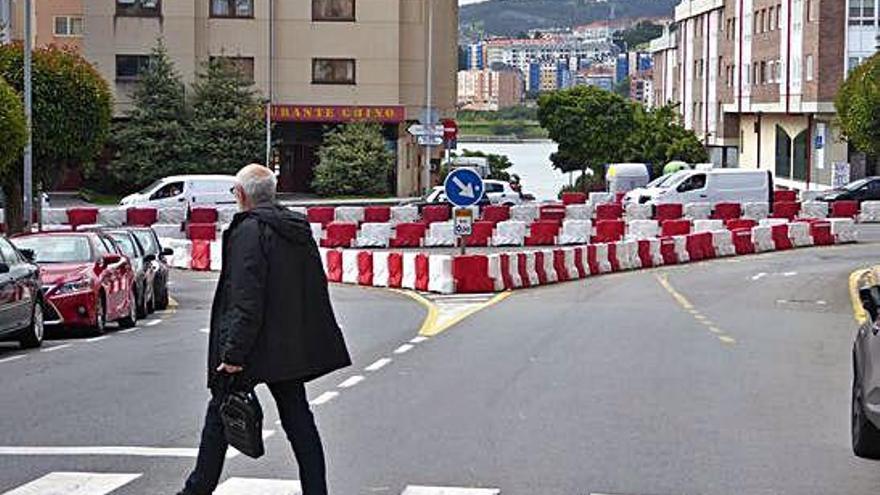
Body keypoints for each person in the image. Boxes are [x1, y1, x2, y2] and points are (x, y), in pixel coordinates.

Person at [178, 164, 351, 495]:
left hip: (253, 347)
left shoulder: (249, 231)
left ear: (241, 195)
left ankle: (194, 491)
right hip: (287, 348)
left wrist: (232, 354)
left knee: (217, 420)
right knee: (299, 422)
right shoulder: (297, 229)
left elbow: (245, 298)